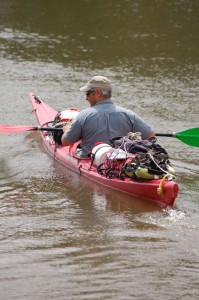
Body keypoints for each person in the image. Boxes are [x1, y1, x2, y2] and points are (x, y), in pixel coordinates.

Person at [61, 75, 155, 157]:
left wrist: (67, 129)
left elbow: (66, 142)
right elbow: (151, 135)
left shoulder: (83, 115)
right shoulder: (128, 114)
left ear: (98, 92)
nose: (86, 98)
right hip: (119, 162)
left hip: (91, 162)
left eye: (88, 93)